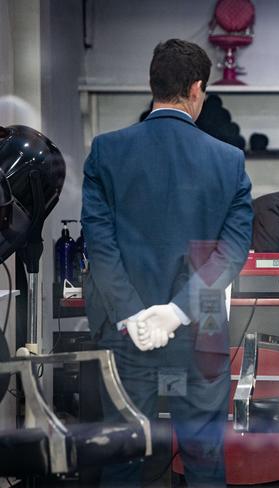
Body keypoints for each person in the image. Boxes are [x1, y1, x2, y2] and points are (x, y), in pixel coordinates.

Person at [81, 39, 253, 487]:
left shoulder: (106, 151)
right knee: (203, 457)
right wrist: (177, 311)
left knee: (123, 455)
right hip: (200, 330)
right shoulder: (229, 161)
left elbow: (99, 247)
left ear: (151, 83)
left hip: (126, 333)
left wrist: (134, 314)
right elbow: (230, 253)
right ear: (197, 89)